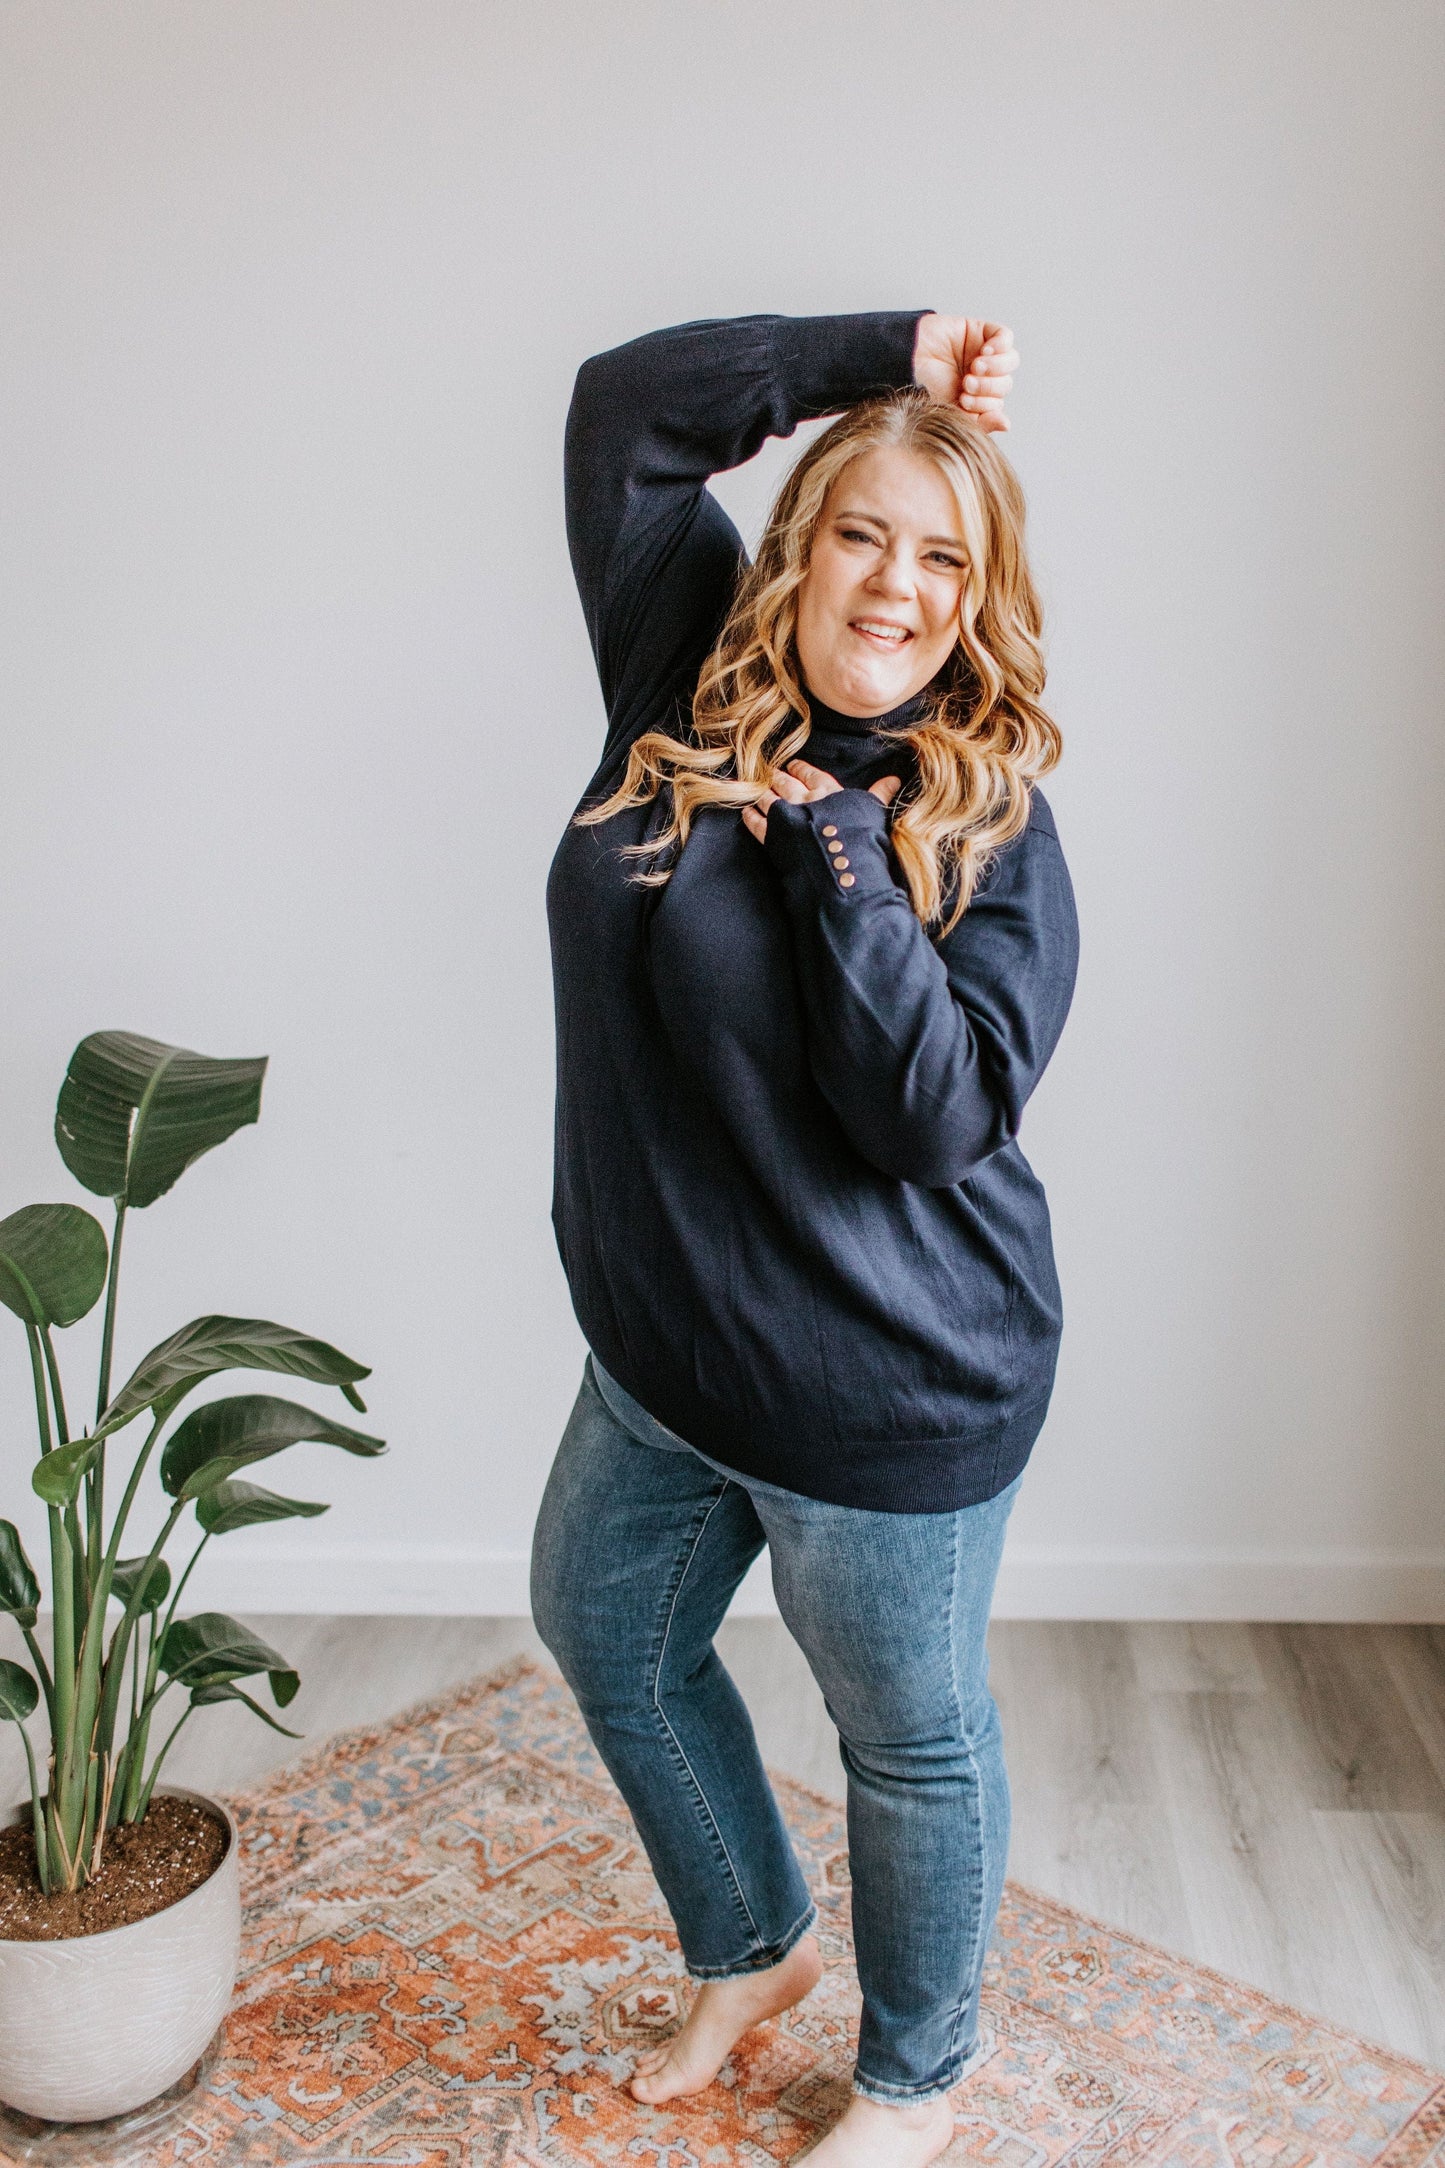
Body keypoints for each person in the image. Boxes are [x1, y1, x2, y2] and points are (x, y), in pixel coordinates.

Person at [531, 306, 1079, 2168]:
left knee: (906, 1741)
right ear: (800, 540)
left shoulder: (987, 823)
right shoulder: (681, 675)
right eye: (863, 532)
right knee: (608, 1633)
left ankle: (915, 2077)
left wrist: (840, 854)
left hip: (882, 1381)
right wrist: (895, 350)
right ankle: (752, 1948)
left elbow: (933, 1116)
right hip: (669, 1347)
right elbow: (624, 411)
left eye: (945, 560)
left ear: (978, 602)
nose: (896, 585)